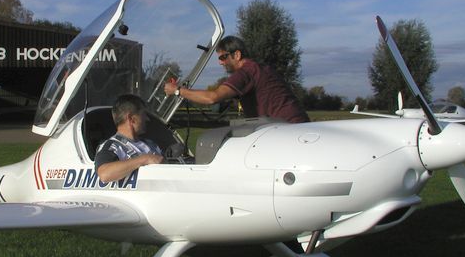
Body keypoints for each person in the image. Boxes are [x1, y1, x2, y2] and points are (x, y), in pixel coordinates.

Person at [164, 35, 309, 123]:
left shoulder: (245, 72)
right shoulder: (260, 68)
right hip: (295, 126)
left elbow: (212, 98)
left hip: (285, 130)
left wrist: (178, 90)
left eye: (223, 57)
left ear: (237, 55)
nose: (220, 62)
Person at [95, 94, 164, 183]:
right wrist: (144, 159)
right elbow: (104, 174)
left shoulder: (151, 144)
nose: (147, 119)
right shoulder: (113, 146)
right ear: (131, 119)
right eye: (143, 114)